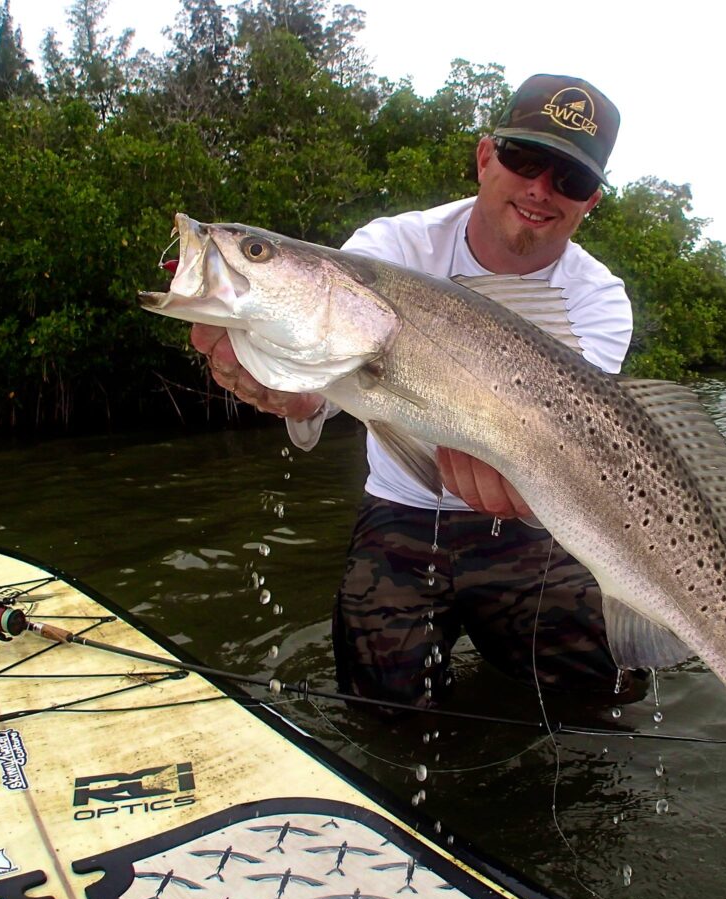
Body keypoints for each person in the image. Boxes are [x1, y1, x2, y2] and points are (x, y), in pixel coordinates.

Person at [192, 74, 645, 708]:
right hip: (399, 514)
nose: (541, 189)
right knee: (381, 712)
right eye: (524, 159)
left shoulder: (597, 298)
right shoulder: (390, 249)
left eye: (570, 179)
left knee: (603, 689)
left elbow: (563, 442)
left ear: (591, 200)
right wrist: (296, 397)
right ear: (486, 157)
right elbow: (325, 380)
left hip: (529, 522)